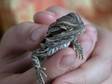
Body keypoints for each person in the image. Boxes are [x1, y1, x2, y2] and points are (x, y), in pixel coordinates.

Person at [0, 6, 112, 84]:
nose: (80, 28)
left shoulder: (70, 37)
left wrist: (95, 40)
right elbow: (35, 55)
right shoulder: (47, 45)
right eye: (67, 28)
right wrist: (38, 69)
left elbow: (74, 36)